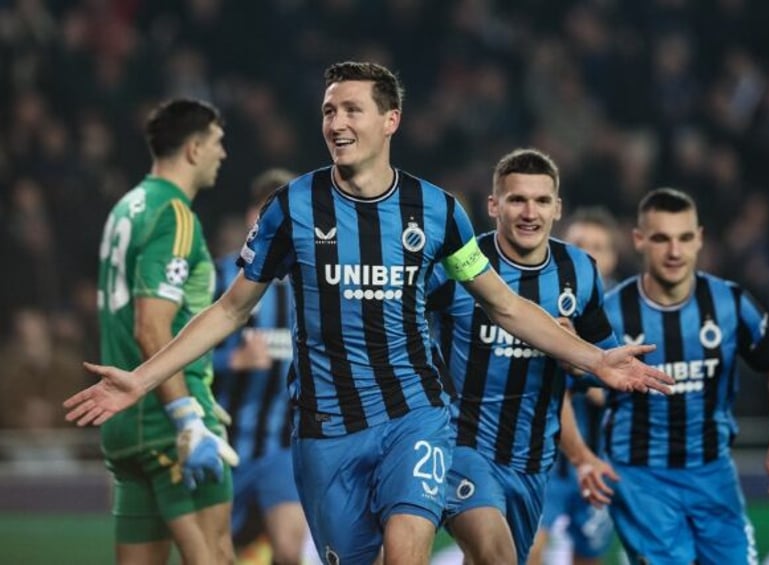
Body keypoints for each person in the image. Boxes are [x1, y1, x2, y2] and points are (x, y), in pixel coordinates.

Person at [65, 61, 672, 565]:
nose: (337, 122)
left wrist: (597, 359)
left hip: (416, 414)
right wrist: (141, 379)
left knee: (407, 550)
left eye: (352, 109)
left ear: (390, 121)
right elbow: (230, 310)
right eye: (329, 110)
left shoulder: (436, 211)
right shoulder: (291, 207)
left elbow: (504, 303)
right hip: (325, 431)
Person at [426, 148, 622, 565]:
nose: (529, 212)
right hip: (462, 446)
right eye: (517, 199)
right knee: (497, 557)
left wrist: (579, 362)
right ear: (493, 205)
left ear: (557, 208)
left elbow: (603, 365)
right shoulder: (459, 265)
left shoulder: (580, 272)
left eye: (541, 201)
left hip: (533, 463)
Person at [601, 187, 769, 563]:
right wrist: (583, 457)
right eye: (661, 239)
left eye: (684, 238)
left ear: (700, 240)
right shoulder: (611, 315)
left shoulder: (729, 304)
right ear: (639, 240)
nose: (674, 252)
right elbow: (564, 388)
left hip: (713, 475)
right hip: (642, 481)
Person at [91, 98, 237, 565]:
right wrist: (187, 416)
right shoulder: (174, 215)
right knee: (215, 556)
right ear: (194, 149)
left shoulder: (126, 208)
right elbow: (151, 326)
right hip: (169, 422)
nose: (223, 154)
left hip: (126, 427)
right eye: (217, 143)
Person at [211, 168, 307, 565]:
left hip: (280, 448)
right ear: (254, 217)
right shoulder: (218, 278)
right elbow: (178, 357)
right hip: (221, 445)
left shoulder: (313, 286)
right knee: (214, 555)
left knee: (288, 550)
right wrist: (230, 360)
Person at [527, 207, 621, 565]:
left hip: (600, 461)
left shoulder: (626, 315)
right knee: (528, 549)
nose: (589, 253)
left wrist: (581, 359)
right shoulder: (538, 305)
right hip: (543, 460)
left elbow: (626, 389)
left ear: (613, 257)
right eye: (580, 243)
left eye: (599, 246)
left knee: (588, 557)